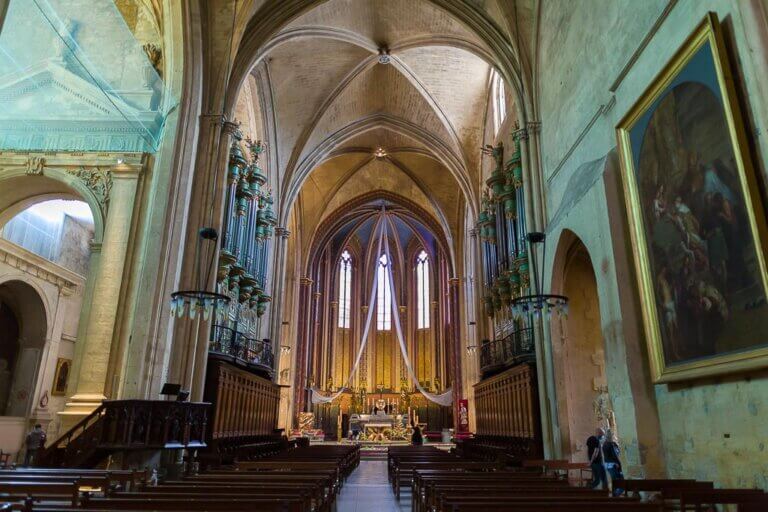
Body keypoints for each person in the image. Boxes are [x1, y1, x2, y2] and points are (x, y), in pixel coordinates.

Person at [602, 430, 624, 496]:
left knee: (614, 481)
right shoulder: (611, 444)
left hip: (607, 465)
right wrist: (619, 464)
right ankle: (616, 495)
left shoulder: (605, 444)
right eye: (613, 435)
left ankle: (614, 496)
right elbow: (615, 455)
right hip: (614, 464)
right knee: (620, 481)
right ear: (611, 436)